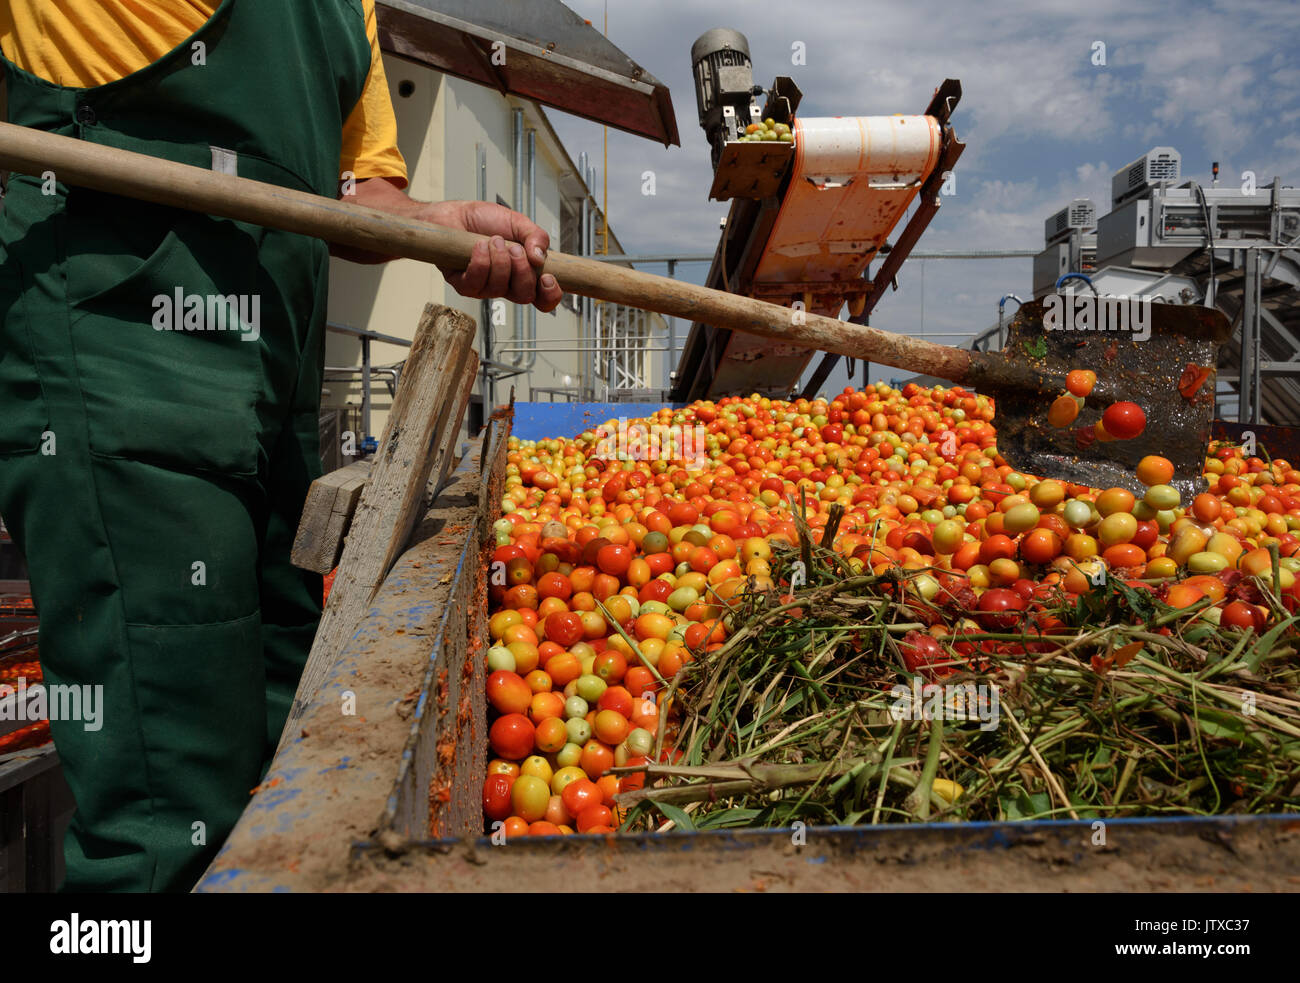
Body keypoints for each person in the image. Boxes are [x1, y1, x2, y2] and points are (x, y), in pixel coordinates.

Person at [0, 0, 561, 892]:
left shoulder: (349, 6)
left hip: (273, 377)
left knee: (284, 740)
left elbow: (356, 192)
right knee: (164, 814)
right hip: (122, 343)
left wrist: (435, 223)